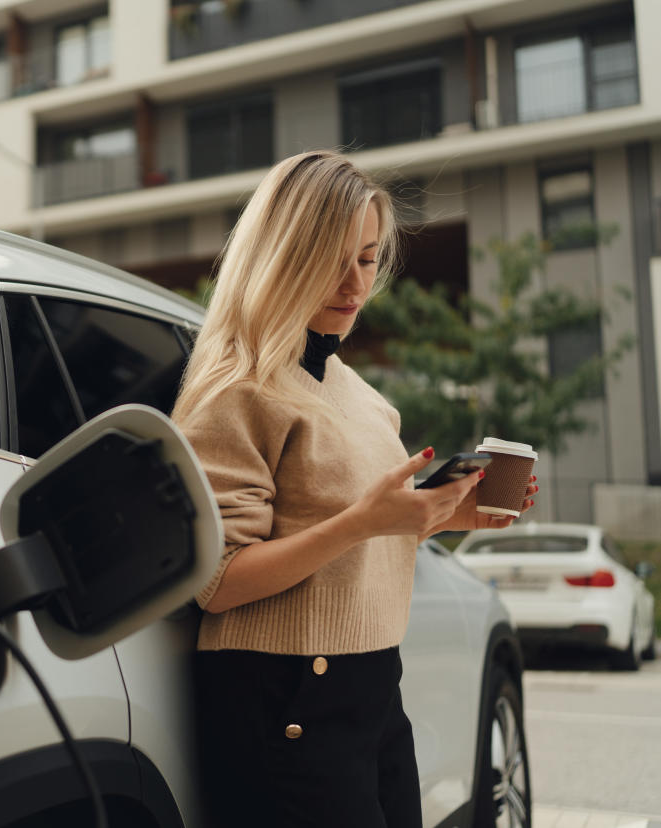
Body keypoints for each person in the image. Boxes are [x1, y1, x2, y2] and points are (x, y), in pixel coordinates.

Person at [171, 150, 538, 827]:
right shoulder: (233, 387)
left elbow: (352, 541)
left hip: (371, 683)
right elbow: (217, 583)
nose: (353, 282)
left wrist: (445, 517)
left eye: (367, 259)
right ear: (280, 256)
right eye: (330, 259)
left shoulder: (364, 399)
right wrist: (365, 522)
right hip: (283, 694)